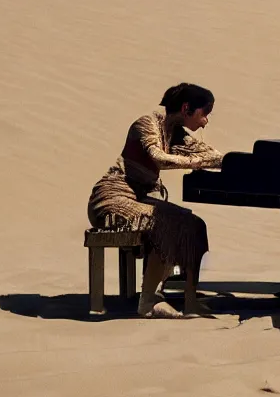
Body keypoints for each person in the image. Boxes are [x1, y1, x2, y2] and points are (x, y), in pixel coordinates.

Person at [87, 82, 224, 318]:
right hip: (111, 197)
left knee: (194, 224)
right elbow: (158, 158)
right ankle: (149, 301)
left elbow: (210, 154)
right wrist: (196, 162)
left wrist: (242, 162)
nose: (205, 122)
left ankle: (190, 301)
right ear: (186, 108)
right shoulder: (146, 124)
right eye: (204, 114)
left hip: (139, 198)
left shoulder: (175, 134)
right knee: (164, 224)